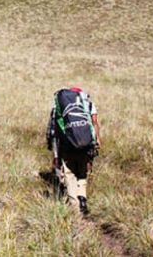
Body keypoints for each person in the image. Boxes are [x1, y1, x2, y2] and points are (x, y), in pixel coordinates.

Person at [46, 87, 100, 216]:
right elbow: (94, 122)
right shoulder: (87, 103)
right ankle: (82, 198)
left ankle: (75, 208)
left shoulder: (58, 107)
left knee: (69, 174)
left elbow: (53, 130)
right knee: (82, 171)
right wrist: (96, 141)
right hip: (86, 143)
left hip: (67, 145)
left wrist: (54, 151)